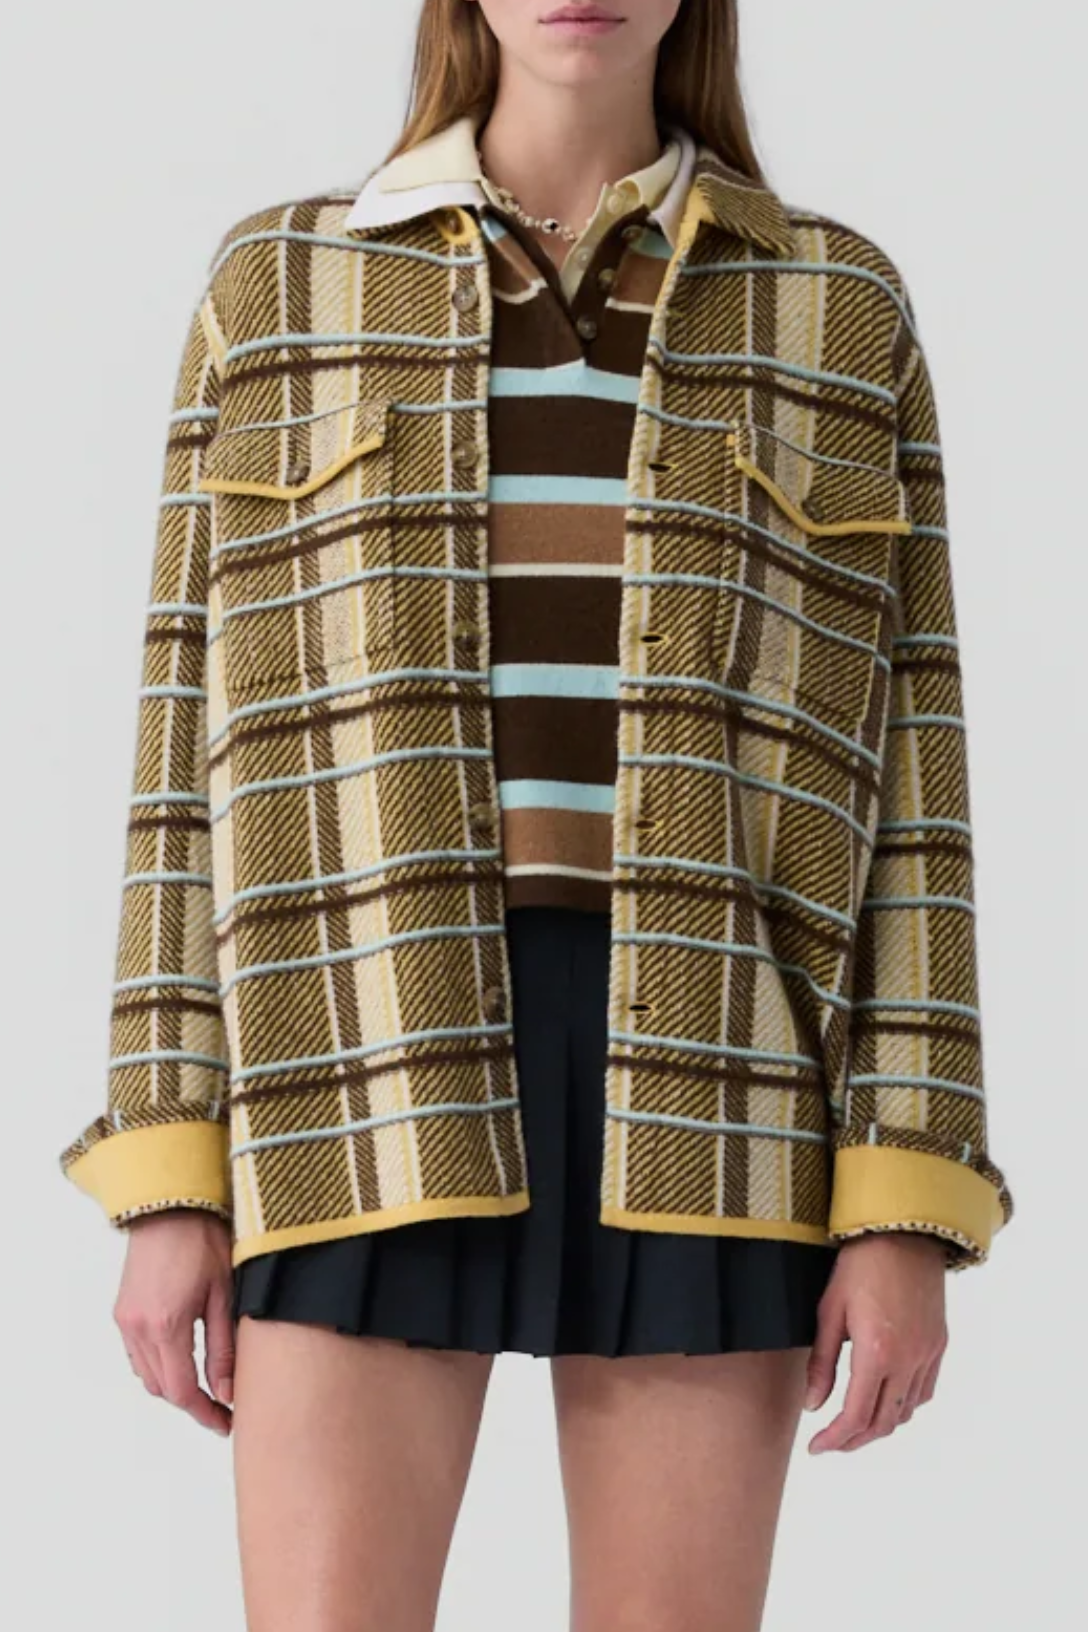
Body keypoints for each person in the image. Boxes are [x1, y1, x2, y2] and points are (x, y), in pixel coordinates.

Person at [58, 3, 1014, 1627]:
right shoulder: (280, 288)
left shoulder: (835, 308)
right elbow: (179, 754)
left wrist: (906, 1194)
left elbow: (919, 781)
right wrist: (169, 1165)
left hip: (721, 1081)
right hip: (350, 1054)